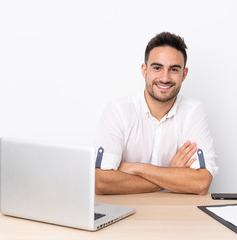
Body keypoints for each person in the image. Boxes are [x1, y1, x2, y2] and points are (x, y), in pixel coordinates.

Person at [93, 32, 218, 195]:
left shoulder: (193, 111)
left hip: (175, 214)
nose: (165, 78)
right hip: (125, 213)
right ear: (144, 70)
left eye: (173, 69)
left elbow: (201, 182)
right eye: (157, 68)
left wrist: (137, 168)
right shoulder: (118, 110)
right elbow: (101, 183)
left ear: (184, 74)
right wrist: (171, 174)